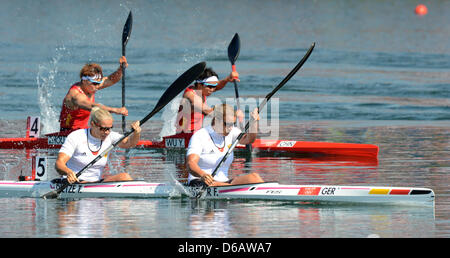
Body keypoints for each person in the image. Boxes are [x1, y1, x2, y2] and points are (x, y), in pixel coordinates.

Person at [55, 107, 141, 184]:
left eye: (110, 128)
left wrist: (136, 133)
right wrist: (68, 172)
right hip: (74, 182)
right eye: (103, 129)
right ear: (92, 124)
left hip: (95, 183)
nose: (107, 132)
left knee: (124, 176)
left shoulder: (111, 136)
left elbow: (129, 143)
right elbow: (59, 163)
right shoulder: (76, 136)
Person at [186, 104, 263, 187]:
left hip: (223, 183)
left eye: (233, 124)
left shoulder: (232, 132)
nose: (230, 128)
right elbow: (190, 163)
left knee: (254, 177)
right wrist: (203, 175)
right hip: (201, 182)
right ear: (217, 120)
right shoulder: (200, 136)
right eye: (227, 124)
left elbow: (249, 139)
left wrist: (254, 122)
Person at [59, 56, 129, 132]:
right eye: (95, 84)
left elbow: (111, 79)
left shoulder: (91, 85)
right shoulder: (75, 95)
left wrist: (121, 68)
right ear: (84, 81)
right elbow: (94, 106)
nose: (97, 86)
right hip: (68, 133)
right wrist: (116, 110)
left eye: (99, 83)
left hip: (83, 130)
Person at [175, 67, 242, 134]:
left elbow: (217, 85)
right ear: (199, 84)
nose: (212, 90)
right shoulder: (191, 96)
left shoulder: (201, 89)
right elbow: (208, 112)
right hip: (183, 136)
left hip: (195, 132)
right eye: (210, 86)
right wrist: (234, 114)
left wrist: (227, 79)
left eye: (214, 86)